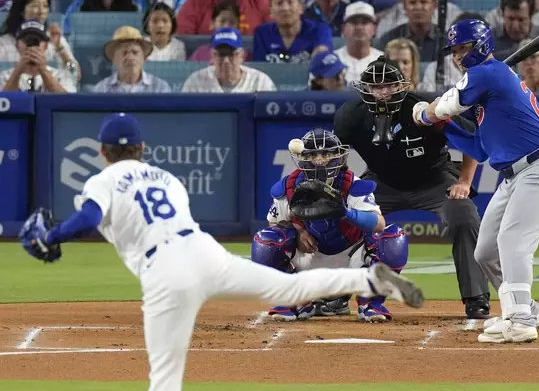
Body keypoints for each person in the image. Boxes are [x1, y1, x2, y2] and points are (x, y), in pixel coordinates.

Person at [18, 113, 425, 391]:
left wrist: (51, 238)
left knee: (165, 376)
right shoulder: (164, 177)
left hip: (165, 273)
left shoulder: (104, 178)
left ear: (103, 152)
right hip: (205, 253)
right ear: (141, 148)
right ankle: (368, 279)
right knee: (284, 290)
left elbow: (89, 217)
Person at [412, 19, 539, 343]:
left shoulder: (488, 73)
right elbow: (478, 150)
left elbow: (443, 106)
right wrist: (443, 127)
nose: (459, 55)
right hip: (513, 175)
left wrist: (424, 115)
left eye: (464, 48)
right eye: (455, 50)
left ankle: (521, 319)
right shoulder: (488, 99)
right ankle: (522, 306)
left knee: (513, 241)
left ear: (482, 45)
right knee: (485, 250)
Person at [334, 55, 491, 320]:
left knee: (463, 215)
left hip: (434, 178)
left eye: (388, 86)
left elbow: (472, 139)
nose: (382, 93)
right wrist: (343, 191)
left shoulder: (424, 108)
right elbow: (336, 157)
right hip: (382, 180)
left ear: (400, 86)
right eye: (375, 87)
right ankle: (334, 295)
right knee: (343, 215)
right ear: (366, 89)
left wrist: (464, 181)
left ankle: (476, 297)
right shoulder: (351, 116)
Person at [252, 129, 410, 322]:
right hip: (309, 257)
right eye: (312, 154)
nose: (320, 160)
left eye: (326, 154)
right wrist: (299, 230)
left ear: (338, 156)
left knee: (393, 238)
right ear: (302, 158)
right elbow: (274, 223)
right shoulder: (290, 186)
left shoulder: (352, 184)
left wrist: (346, 212)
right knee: (266, 240)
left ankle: (370, 302)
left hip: (352, 259)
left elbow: (379, 223)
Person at [182, 27, 276, 93]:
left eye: (231, 54)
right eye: (221, 55)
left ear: (241, 55)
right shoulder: (195, 82)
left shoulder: (260, 82)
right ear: (213, 56)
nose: (226, 61)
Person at [0, 20, 76, 92]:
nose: (31, 47)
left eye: (36, 41)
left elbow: (68, 102)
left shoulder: (59, 75)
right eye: (27, 40)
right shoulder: (4, 76)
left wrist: (44, 71)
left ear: (46, 46)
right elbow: (3, 102)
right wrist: (17, 72)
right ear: (17, 45)